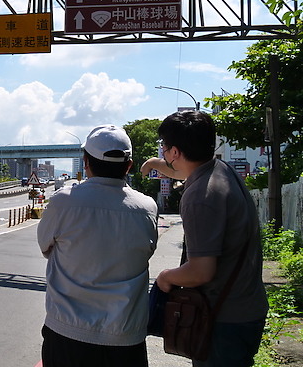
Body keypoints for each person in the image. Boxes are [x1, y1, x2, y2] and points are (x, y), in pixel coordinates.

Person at [141, 110, 267, 367]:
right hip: (244, 308)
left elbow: (201, 271)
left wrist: (165, 277)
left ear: (175, 152)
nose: (164, 152)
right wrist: (156, 163)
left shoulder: (200, 196)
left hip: (224, 320)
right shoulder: (221, 170)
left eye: (164, 148)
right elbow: (182, 170)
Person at [37, 125, 158, 367]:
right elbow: (148, 251)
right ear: (129, 165)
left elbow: (45, 246)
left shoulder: (64, 202)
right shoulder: (147, 207)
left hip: (68, 332)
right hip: (126, 337)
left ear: (85, 162)